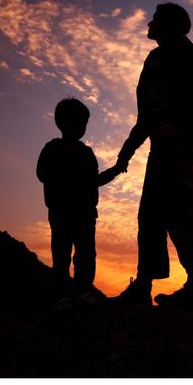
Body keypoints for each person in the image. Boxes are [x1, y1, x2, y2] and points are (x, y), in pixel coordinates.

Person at [113, 2, 193, 313]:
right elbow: (148, 114)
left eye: (155, 19)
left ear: (168, 24)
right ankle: (146, 284)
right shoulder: (162, 55)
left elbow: (159, 110)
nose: (149, 22)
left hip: (176, 145)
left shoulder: (177, 53)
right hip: (165, 145)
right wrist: (129, 149)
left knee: (178, 213)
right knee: (153, 215)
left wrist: (176, 129)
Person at [37, 97, 121, 309]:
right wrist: (68, 177)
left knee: (85, 255)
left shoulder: (86, 153)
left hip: (85, 214)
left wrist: (116, 170)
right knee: (62, 254)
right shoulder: (52, 148)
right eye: (78, 121)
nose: (82, 127)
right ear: (62, 122)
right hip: (61, 212)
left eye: (84, 123)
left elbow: (95, 180)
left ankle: (83, 292)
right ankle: (62, 295)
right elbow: (42, 174)